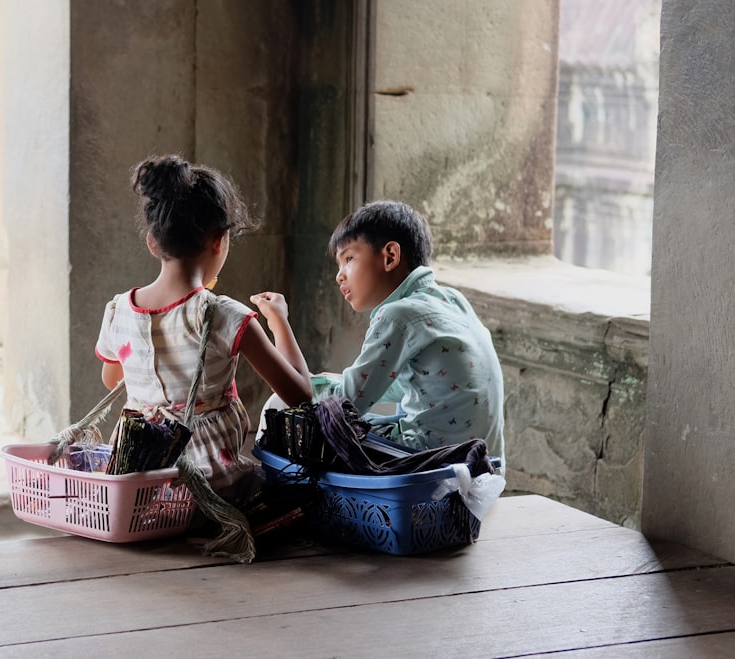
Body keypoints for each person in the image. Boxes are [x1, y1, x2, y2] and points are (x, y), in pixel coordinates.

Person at [95, 154, 313, 500]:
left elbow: (112, 379)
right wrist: (279, 321)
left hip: (139, 488)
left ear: (153, 241)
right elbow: (300, 395)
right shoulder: (226, 315)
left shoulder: (119, 310)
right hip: (210, 487)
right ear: (219, 240)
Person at [255, 200, 505, 471]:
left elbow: (348, 404)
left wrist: (280, 325)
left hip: (430, 466)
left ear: (390, 256)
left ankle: (272, 498)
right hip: (483, 467)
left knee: (283, 407)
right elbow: (418, 386)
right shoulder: (452, 300)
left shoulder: (398, 316)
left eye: (349, 258)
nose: (339, 276)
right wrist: (325, 380)